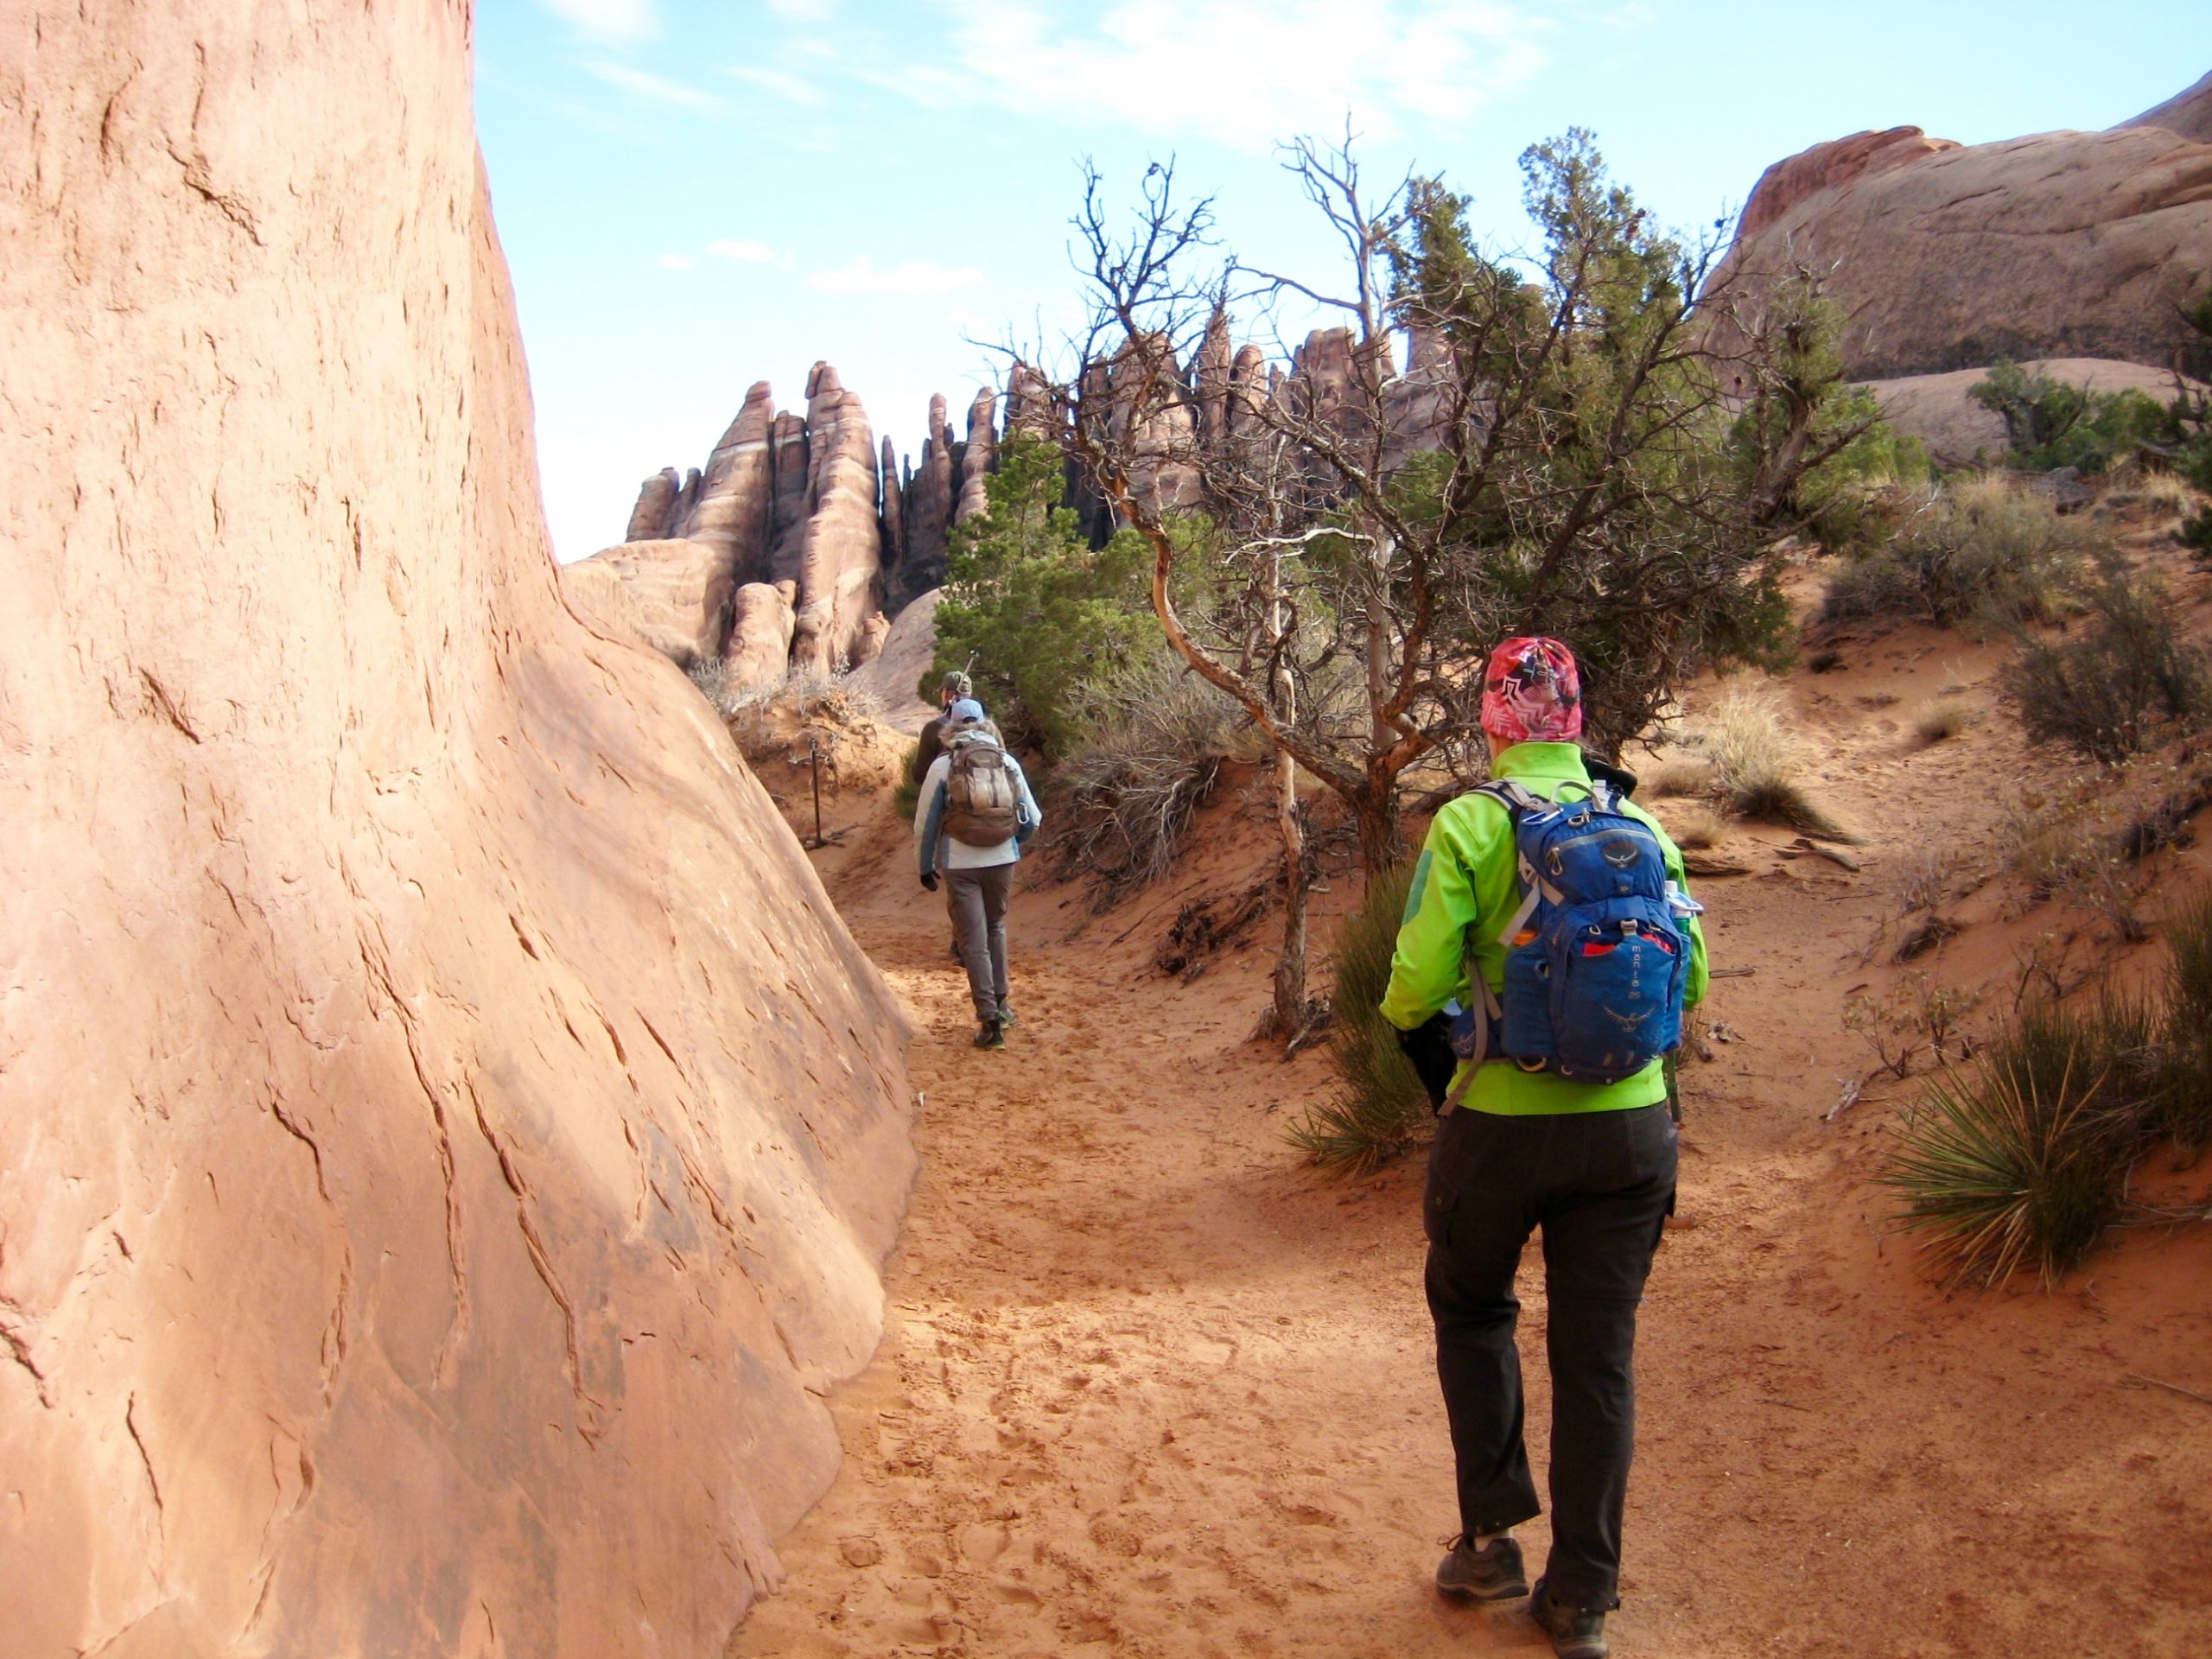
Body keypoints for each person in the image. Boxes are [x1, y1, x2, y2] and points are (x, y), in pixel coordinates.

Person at [1381, 637, 1707, 1659]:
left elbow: (1411, 984)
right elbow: (1692, 980)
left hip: (1500, 1127)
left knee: (1474, 1308)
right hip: (1631, 1130)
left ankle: (1488, 1545)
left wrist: (1441, 1030)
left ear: (1491, 718)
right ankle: (1582, 1600)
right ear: (1575, 717)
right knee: (1597, 1357)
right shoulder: (1641, 823)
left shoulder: (1472, 822)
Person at [915, 698, 1041, 1049]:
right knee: (996, 927)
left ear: (951, 726)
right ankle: (1003, 1006)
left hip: (961, 864)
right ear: (985, 722)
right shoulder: (1007, 761)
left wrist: (925, 866)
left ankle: (989, 1022)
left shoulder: (942, 765)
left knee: (973, 941)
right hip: (1002, 860)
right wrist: (1011, 843)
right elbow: (1033, 818)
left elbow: (925, 824)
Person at [914, 670, 972, 779]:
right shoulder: (987, 727)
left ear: (945, 693)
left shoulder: (933, 728)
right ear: (970, 695)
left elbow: (920, 775)